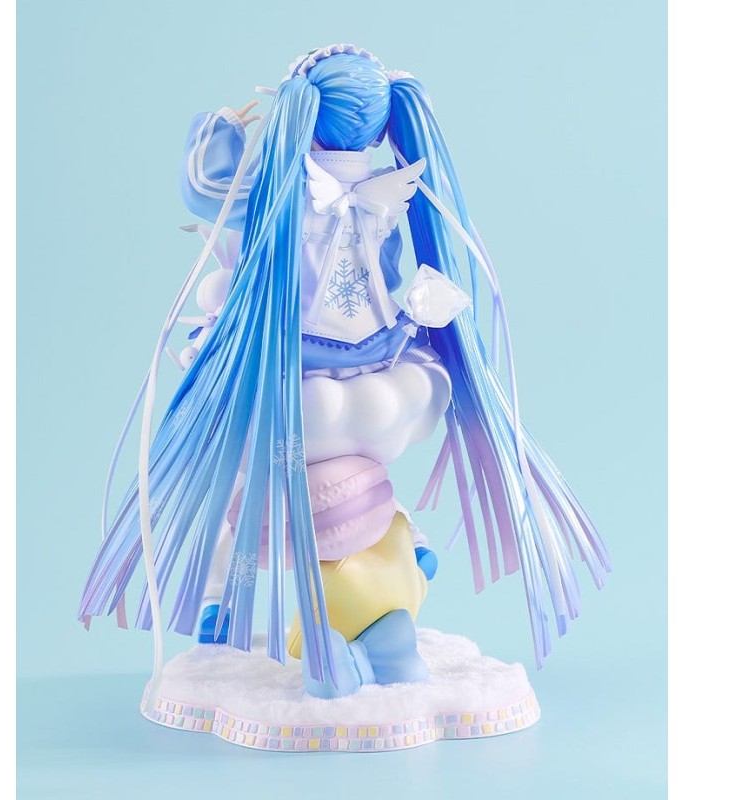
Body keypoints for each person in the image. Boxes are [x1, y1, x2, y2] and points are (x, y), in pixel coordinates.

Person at [79, 44, 610, 700]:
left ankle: (223, 598)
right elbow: (392, 266)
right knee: (342, 462)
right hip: (381, 358)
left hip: (293, 362)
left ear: (302, 116)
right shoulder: (390, 188)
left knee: (238, 474)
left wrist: (218, 129)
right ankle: (396, 545)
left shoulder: (280, 187)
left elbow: (206, 188)